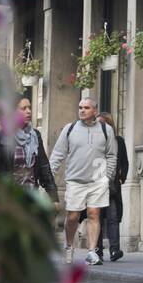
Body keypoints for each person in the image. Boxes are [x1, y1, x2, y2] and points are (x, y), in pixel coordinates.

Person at [49, 98, 119, 266]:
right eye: (80, 107)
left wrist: (107, 177)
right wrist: (48, 176)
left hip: (98, 181)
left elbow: (111, 155)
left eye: (86, 108)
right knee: (73, 216)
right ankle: (69, 246)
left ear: (95, 111)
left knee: (94, 214)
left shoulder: (106, 129)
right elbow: (58, 154)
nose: (82, 110)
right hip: (75, 180)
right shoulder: (70, 129)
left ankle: (91, 252)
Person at [0, 97, 58, 203]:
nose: (28, 111)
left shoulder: (35, 135)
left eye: (29, 107)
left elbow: (44, 167)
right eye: (23, 108)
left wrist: (53, 197)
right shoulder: (1, 136)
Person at [77, 113, 128, 262]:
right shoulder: (91, 141)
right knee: (96, 217)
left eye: (102, 124)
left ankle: (114, 250)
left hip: (111, 187)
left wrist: (121, 178)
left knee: (112, 217)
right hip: (94, 185)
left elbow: (124, 162)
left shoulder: (118, 141)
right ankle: (97, 251)